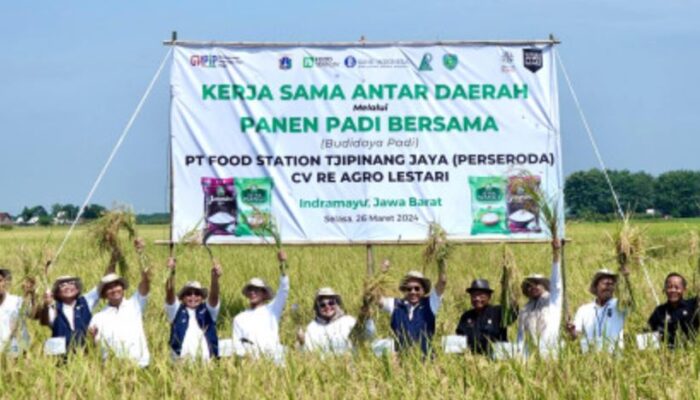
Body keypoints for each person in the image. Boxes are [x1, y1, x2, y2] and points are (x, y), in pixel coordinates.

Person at [88, 239, 151, 367]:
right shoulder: (98, 317)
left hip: (140, 365)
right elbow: (92, 345)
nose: (114, 290)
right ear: (105, 294)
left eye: (117, 285)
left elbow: (146, 280)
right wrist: (90, 337)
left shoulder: (135, 304)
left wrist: (141, 253)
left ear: (123, 288)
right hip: (112, 369)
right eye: (109, 288)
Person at [37, 260, 116, 351]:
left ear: (77, 289)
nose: (68, 287)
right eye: (62, 285)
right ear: (57, 293)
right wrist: (46, 305)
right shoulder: (53, 306)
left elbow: (105, 281)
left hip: (85, 353)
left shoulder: (86, 301)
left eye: (71, 284)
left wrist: (113, 259)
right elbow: (44, 322)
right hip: (59, 356)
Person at [232, 250, 289, 359]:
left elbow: (284, 289)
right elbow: (237, 346)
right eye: (250, 289)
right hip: (252, 365)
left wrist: (283, 264)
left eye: (257, 290)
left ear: (264, 293)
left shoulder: (272, 310)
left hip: (274, 360)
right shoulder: (239, 318)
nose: (253, 292)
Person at [380, 264, 447, 354]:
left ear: (423, 290)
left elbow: (442, 281)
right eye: (409, 289)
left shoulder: (430, 303)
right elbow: (375, 298)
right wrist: (382, 274)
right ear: (404, 290)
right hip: (399, 362)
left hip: (426, 363)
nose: (413, 292)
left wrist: (441, 259)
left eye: (417, 288)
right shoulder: (395, 304)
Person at [164, 256, 222, 362]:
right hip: (180, 365)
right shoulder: (176, 311)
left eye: (197, 293)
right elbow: (169, 292)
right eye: (188, 293)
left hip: (208, 366)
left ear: (202, 297)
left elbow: (214, 296)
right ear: (182, 297)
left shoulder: (208, 311)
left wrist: (214, 279)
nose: (193, 297)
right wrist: (171, 273)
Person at [566, 267, 632, 353]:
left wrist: (625, 280)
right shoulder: (584, 310)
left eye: (611, 284)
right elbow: (576, 335)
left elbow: (628, 299)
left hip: (615, 358)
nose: (608, 286)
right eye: (605, 283)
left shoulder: (619, 305)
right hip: (590, 360)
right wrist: (571, 331)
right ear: (596, 287)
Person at [516, 239, 563, 357]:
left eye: (536, 284)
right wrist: (519, 355)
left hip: (551, 353)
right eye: (529, 286)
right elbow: (521, 336)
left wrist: (556, 254)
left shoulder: (552, 301)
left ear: (544, 285)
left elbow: (556, 283)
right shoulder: (525, 309)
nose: (533, 287)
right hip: (531, 355)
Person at [298, 287, 373, 354]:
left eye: (331, 303)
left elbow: (366, 337)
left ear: (337, 304)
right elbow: (307, 353)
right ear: (317, 308)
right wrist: (302, 342)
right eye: (322, 305)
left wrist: (366, 319)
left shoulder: (348, 321)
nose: (327, 307)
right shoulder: (312, 327)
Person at [456, 279, 517, 355]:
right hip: (472, 360)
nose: (477, 299)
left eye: (481, 295)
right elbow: (459, 339)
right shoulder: (466, 316)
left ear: (489, 296)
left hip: (496, 359)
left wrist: (507, 289)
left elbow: (513, 313)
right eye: (474, 295)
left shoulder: (498, 312)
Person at [647, 272, 699, 348]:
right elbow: (647, 335)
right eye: (669, 287)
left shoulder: (693, 305)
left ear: (684, 289)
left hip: (690, 352)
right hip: (665, 354)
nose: (673, 290)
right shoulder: (659, 311)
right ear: (664, 289)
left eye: (677, 287)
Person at [0, 268, 23, 353]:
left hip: (13, 355)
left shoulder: (17, 301)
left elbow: (35, 314)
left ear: (5, 283)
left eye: (0, 280)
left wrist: (32, 295)